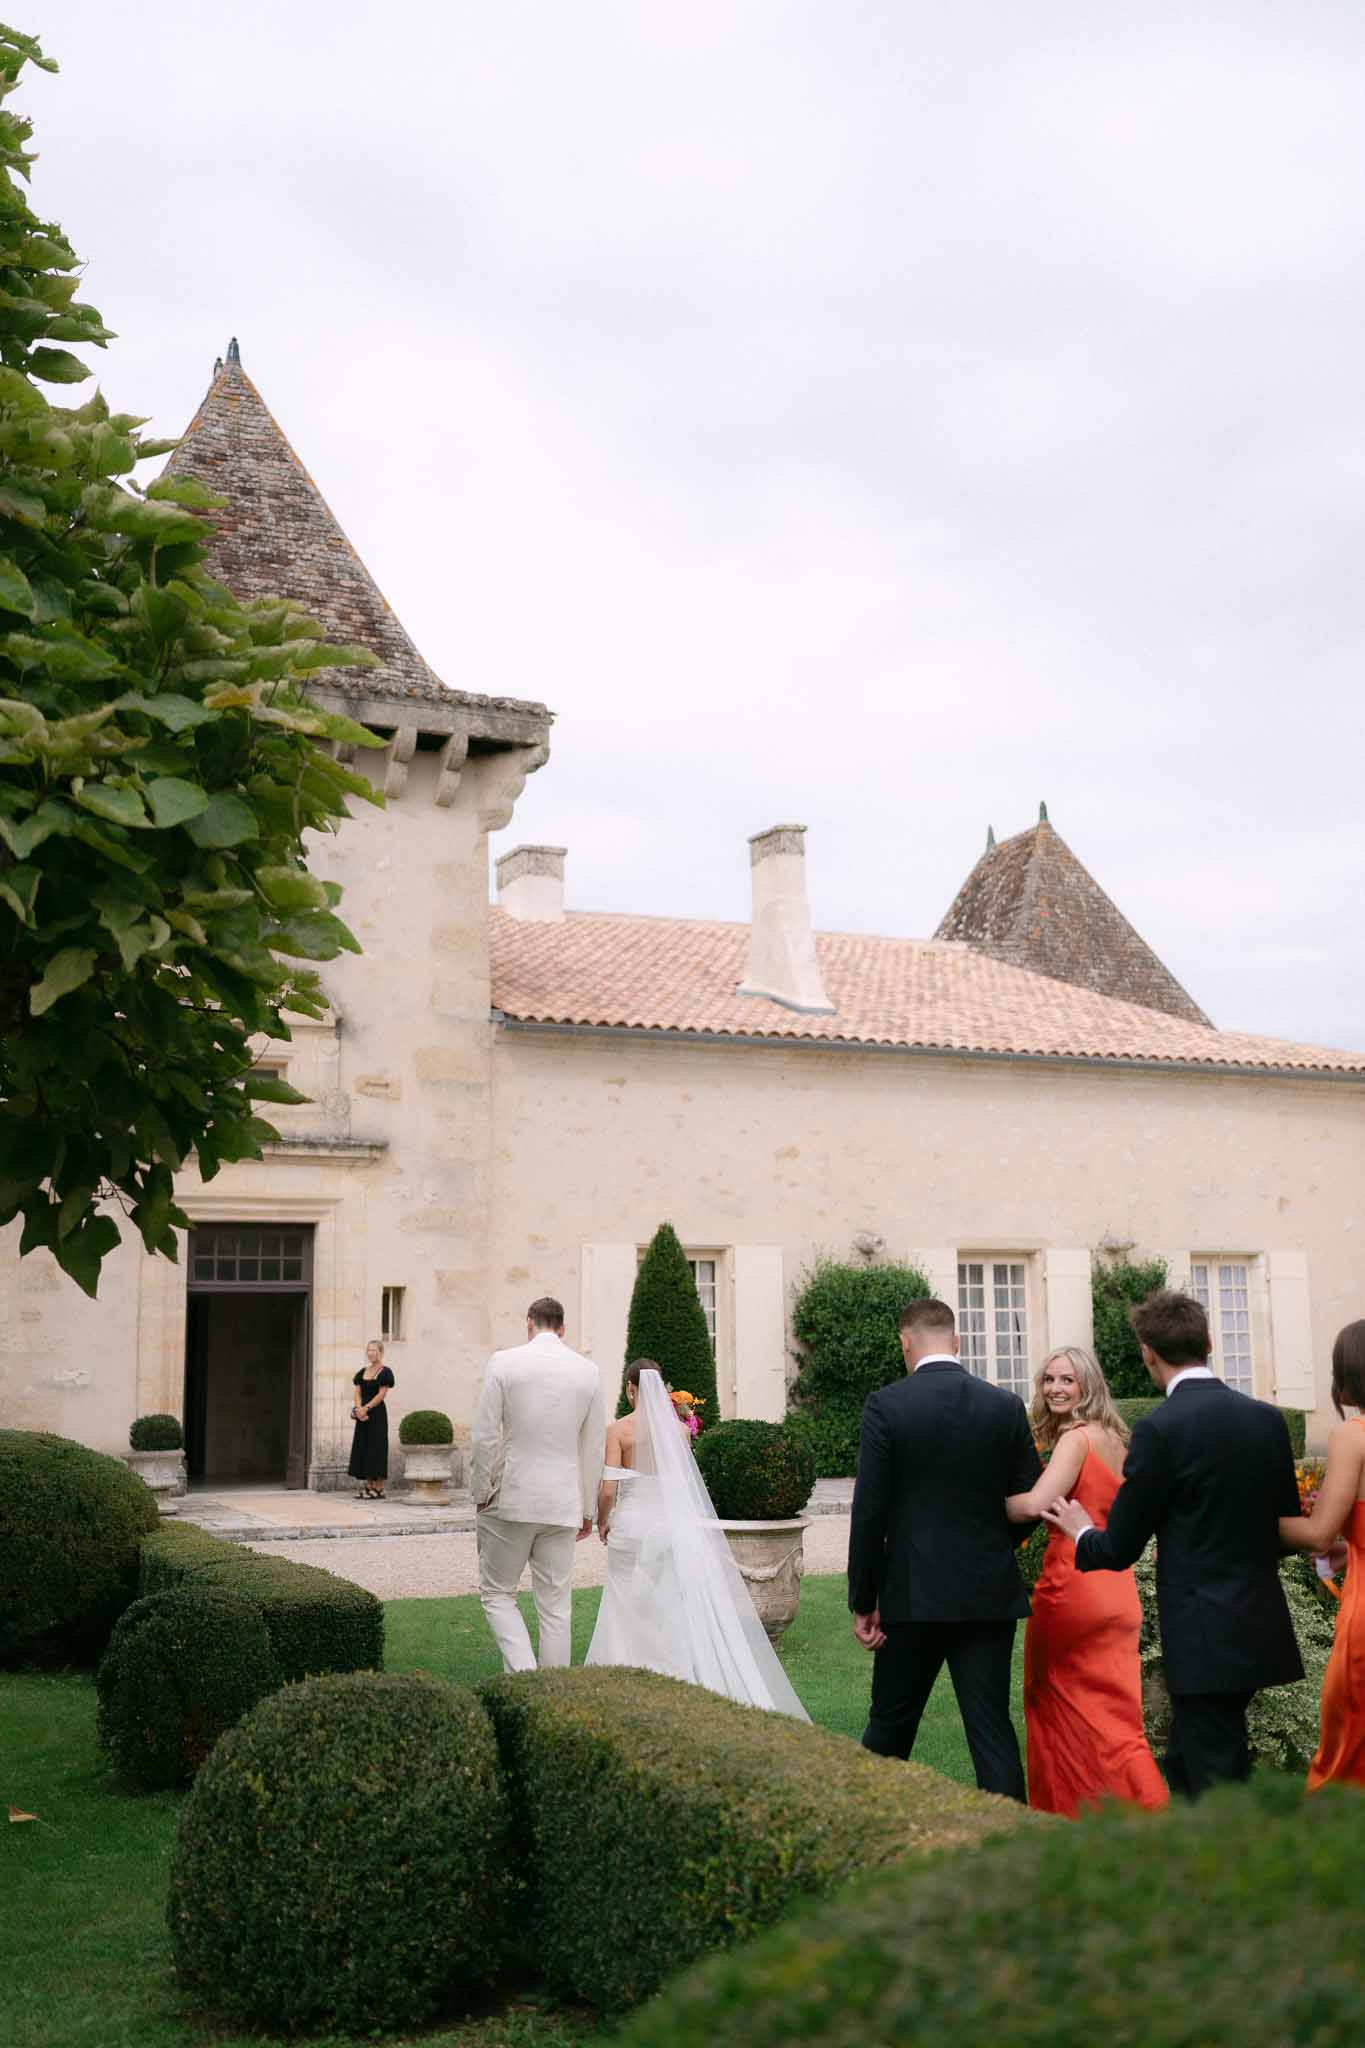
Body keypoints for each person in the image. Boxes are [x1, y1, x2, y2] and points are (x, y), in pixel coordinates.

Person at [1045, 1289, 1302, 1800]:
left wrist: (1080, 1531)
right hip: (1257, 1621)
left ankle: (1236, 1874)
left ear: (1147, 1353)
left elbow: (1118, 1549)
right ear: (1208, 1340)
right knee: (1189, 1760)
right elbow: (1281, 1528)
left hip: (1203, 1632)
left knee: (1212, 1775)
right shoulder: (1267, 1420)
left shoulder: (1160, 1431)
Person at [847, 1296, 1041, 1800]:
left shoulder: (887, 1405)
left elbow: (869, 1513)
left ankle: (865, 1830)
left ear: (905, 1343)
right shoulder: (1004, 1406)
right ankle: (1012, 1847)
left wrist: (864, 1600)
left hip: (911, 1595)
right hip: (986, 1593)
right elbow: (1030, 1500)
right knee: (991, 1730)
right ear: (957, 1342)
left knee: (889, 1727)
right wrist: (997, 1545)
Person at [585, 1360, 809, 1720]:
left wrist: (601, 1519)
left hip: (632, 1524)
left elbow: (609, 1488)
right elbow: (683, 1486)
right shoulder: (680, 1431)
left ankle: (624, 1677)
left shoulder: (619, 1431)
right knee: (667, 1600)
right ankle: (672, 1674)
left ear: (631, 1390)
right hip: (670, 1526)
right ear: (662, 1390)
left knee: (625, 1601)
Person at [1007, 1346, 1167, 1816]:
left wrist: (981, 1502)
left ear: (1087, 1387)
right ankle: (1144, 1814)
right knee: (1117, 1720)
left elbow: (1036, 1504)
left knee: (1052, 1705)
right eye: (1049, 1379)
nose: (1056, 1388)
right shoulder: (1121, 1439)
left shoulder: (1077, 1439)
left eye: (1067, 1381)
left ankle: (1066, 1816)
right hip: (1117, 1589)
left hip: (1071, 1588)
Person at [468, 1296, 606, 1673]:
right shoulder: (588, 1372)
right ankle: (552, 1696)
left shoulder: (504, 1362)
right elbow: (594, 1446)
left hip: (512, 1494)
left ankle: (526, 1678)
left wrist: (480, 1491)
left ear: (529, 1322)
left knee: (497, 1594)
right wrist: (589, 1509)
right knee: (556, 1605)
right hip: (563, 1502)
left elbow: (483, 1435)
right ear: (562, 1328)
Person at [1279, 1319, 1365, 1791]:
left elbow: (1316, 1533)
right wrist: (1349, 1548)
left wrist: (1245, 1518)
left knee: (1347, 1743)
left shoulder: (1354, 1433)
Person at [348, 1339, 394, 1500]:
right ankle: (369, 1486)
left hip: (376, 1415)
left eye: (374, 1350)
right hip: (363, 1416)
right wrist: (359, 1409)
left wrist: (367, 1408)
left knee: (377, 1448)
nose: (371, 1353)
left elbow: (381, 1394)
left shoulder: (385, 1372)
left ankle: (379, 1487)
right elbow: (357, 1392)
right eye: (368, 1350)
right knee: (364, 1447)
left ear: (380, 1352)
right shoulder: (362, 1372)